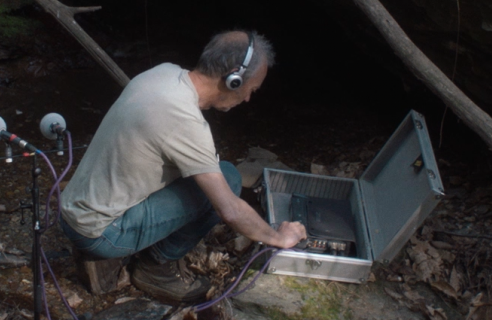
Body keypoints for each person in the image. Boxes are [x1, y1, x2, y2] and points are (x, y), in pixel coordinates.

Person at [60, 30, 307, 304]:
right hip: (101, 233)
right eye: (252, 89)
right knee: (229, 179)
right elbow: (230, 210)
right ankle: (156, 267)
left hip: (75, 209)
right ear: (234, 80)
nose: (248, 98)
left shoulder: (164, 73)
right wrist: (279, 238)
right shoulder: (183, 120)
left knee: (215, 173)